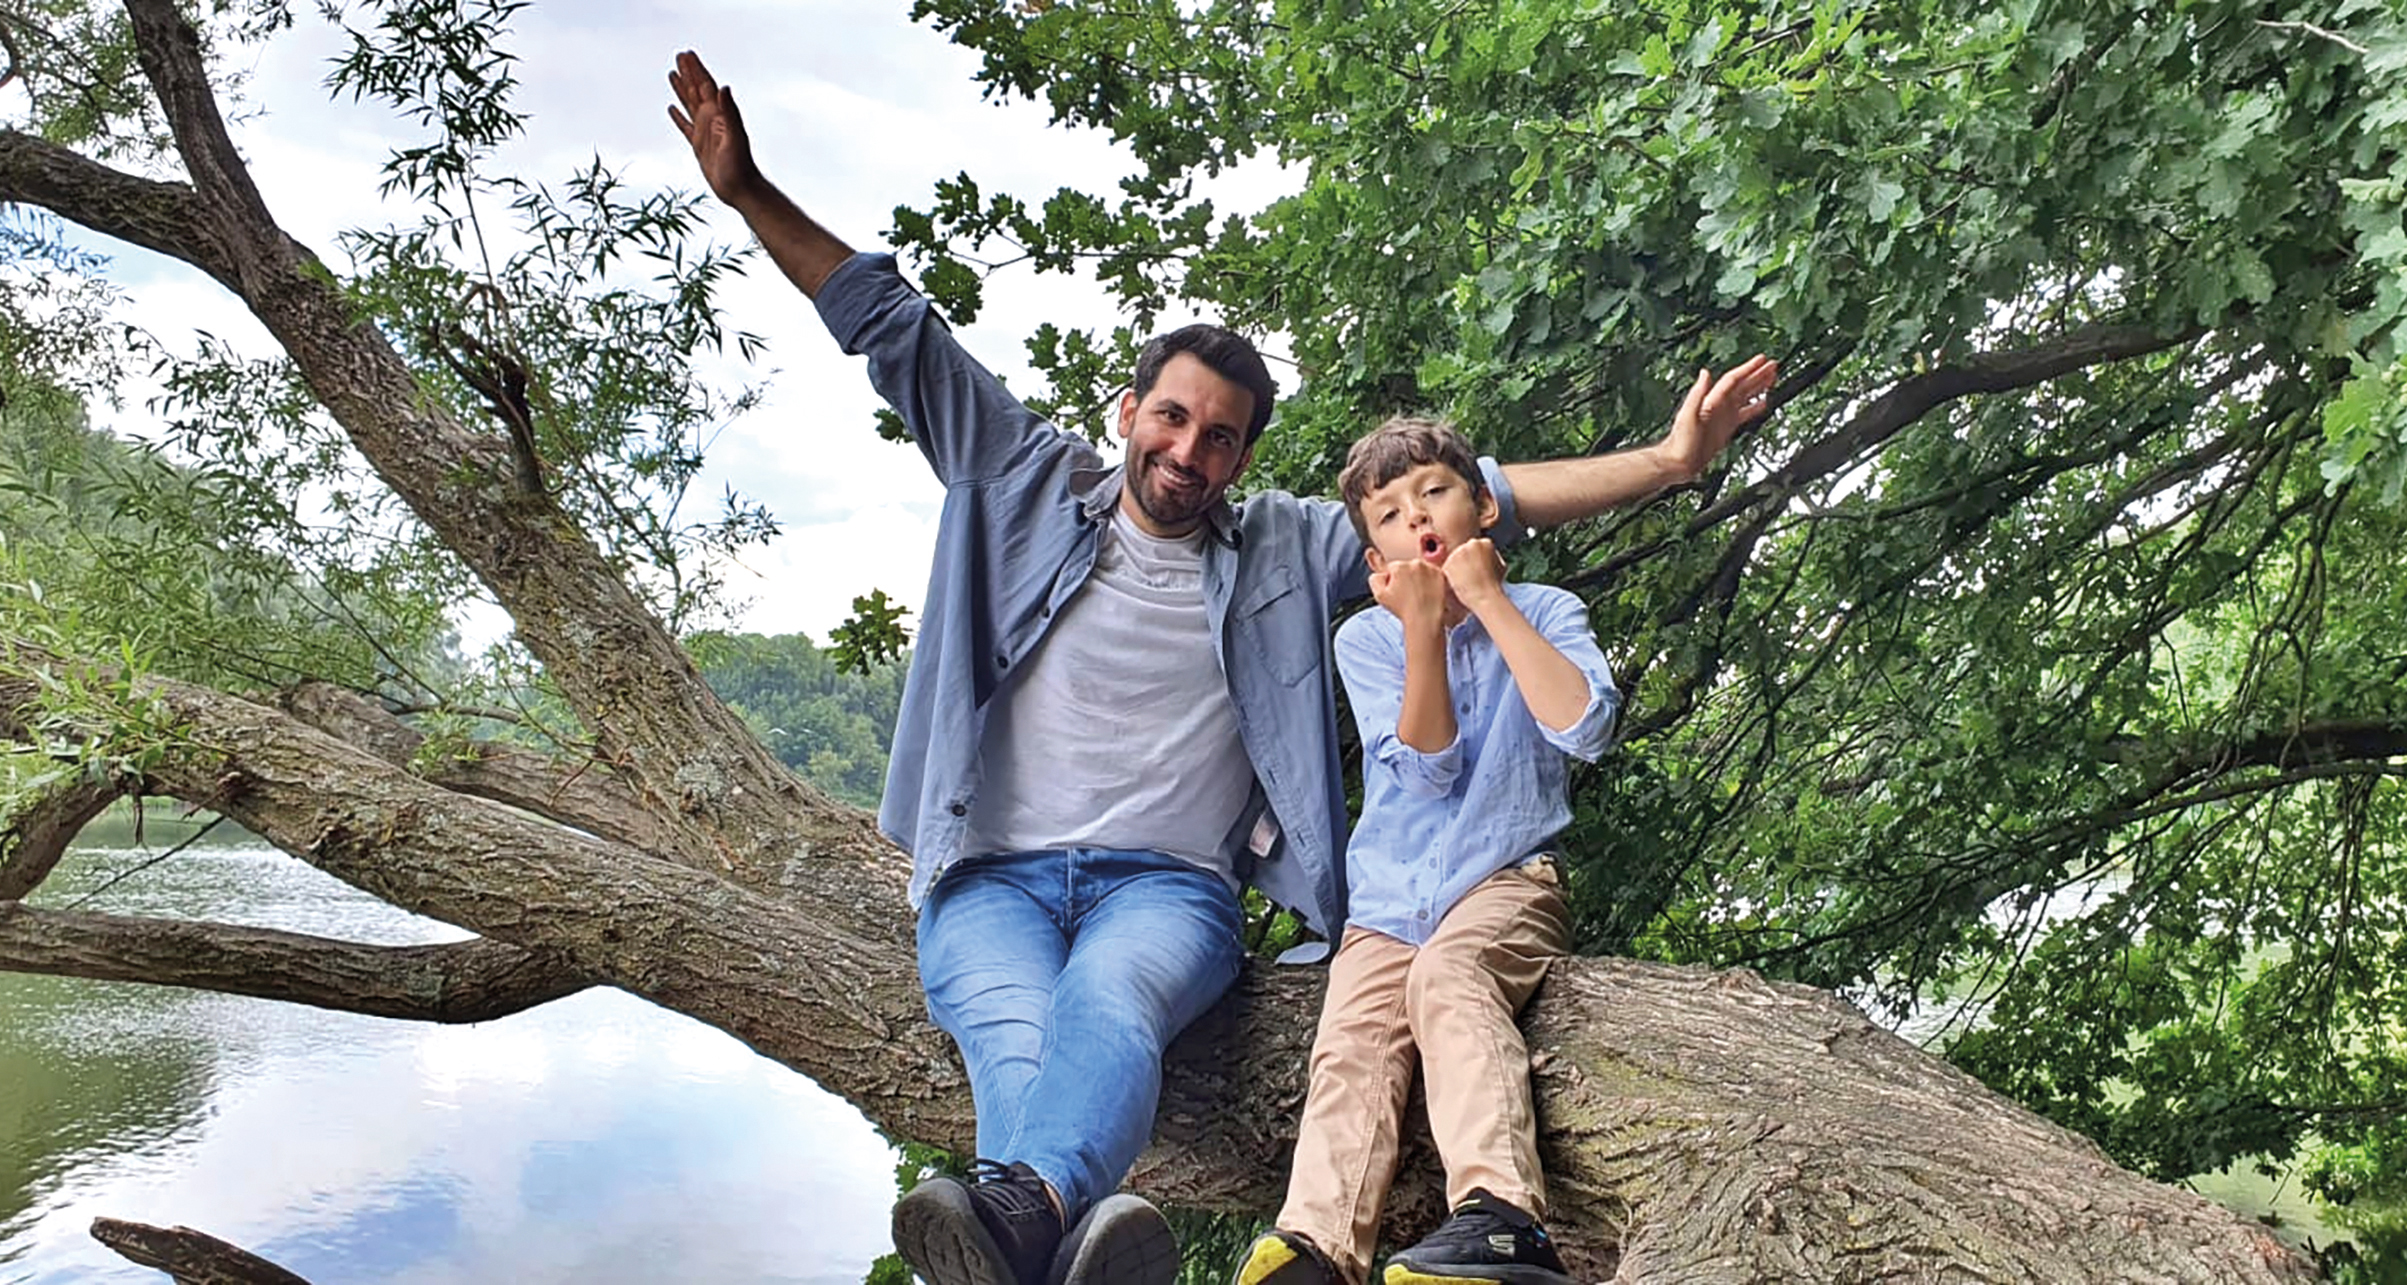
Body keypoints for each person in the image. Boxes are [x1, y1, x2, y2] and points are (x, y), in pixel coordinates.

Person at [666, 50, 1777, 1285]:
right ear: (1128, 409)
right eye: (1173, 418)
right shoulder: (1019, 478)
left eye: (1221, 438)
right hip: (989, 877)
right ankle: (1040, 1220)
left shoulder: (1293, 551)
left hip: (1168, 890)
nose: (1189, 452)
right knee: (1011, 1027)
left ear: (1242, 460)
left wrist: (1672, 463)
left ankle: (1015, 1217)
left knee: (1112, 1005)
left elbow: (1486, 503)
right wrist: (749, 190)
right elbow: (896, 332)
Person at [1234, 418, 1614, 1285]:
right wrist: (1421, 631)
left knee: (1448, 980)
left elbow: (1584, 724)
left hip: (1506, 877)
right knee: (1350, 1042)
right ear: (1376, 561)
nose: (1418, 518)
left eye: (1434, 493)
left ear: (1483, 506)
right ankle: (1318, 1245)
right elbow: (1430, 765)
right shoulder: (1363, 640)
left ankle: (1502, 1218)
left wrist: (1489, 603)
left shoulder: (1547, 610)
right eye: (1390, 514)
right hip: (1388, 900)